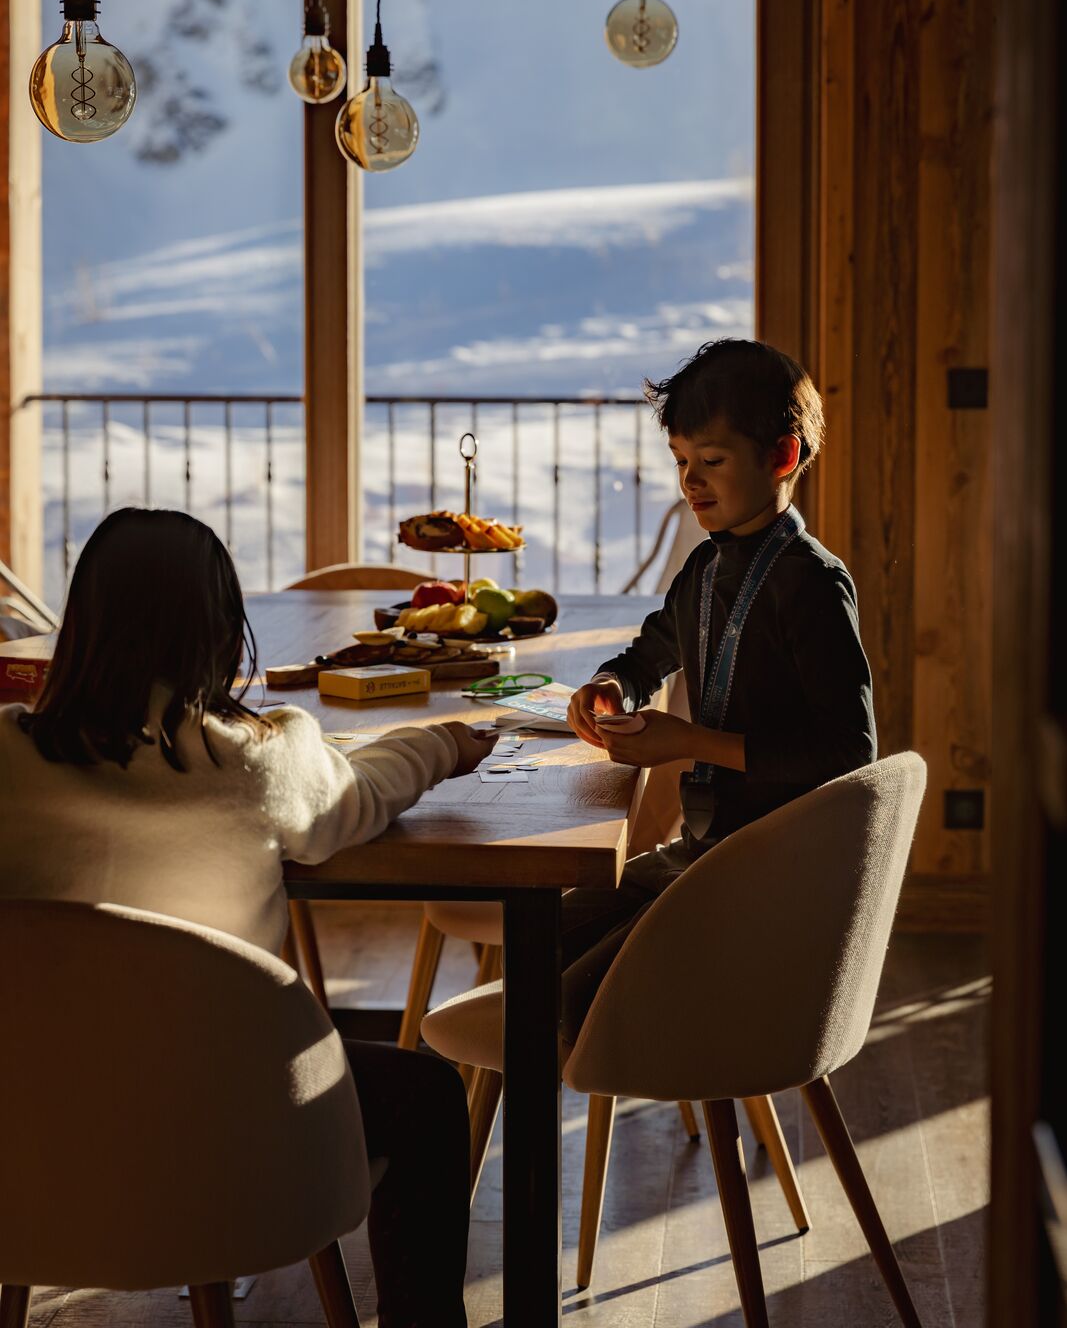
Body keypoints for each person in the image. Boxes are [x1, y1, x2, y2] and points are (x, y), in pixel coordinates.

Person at [0, 507, 493, 1328]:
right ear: (222, 633)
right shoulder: (264, 757)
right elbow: (358, 797)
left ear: (77, 624)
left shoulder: (6, 758)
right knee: (429, 1096)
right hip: (230, 1132)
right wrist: (441, 742)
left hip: (30, 1133)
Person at [563, 338, 876, 1043]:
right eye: (680, 462)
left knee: (565, 983)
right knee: (550, 935)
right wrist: (610, 687)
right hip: (706, 855)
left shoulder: (810, 584)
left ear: (781, 457)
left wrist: (690, 745)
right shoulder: (705, 567)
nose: (690, 483)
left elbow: (847, 752)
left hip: (773, 874)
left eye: (711, 461)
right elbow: (651, 652)